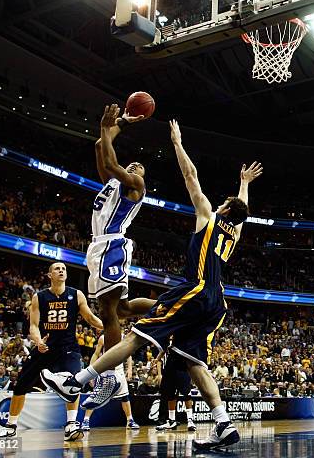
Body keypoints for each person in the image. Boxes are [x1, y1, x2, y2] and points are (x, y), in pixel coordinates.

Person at [42, 120, 263, 450]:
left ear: (226, 209)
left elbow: (192, 178)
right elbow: (241, 210)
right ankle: (223, 423)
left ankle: (77, 381)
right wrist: (244, 183)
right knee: (195, 362)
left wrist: (177, 143)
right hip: (218, 303)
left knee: (137, 334)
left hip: (197, 289)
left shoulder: (209, 216)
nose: (219, 202)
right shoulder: (234, 233)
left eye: (226, 202)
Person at [84, 104, 155, 404]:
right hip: (98, 246)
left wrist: (106, 126)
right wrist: (121, 121)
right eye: (133, 164)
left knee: (108, 312)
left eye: (140, 166)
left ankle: (111, 377)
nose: (135, 166)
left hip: (112, 244)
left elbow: (112, 162)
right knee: (123, 310)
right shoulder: (112, 184)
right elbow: (102, 146)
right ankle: (173, 306)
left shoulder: (134, 186)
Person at [0, 262, 103, 442]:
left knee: (73, 382)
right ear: (49, 275)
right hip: (45, 347)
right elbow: (34, 326)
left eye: (64, 269)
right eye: (57, 269)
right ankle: (10, 426)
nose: (61, 271)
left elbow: (90, 318)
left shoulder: (76, 295)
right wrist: (37, 341)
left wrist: (109, 326)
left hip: (68, 347)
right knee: (21, 385)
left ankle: (71, 425)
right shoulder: (40, 297)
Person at [81, 334, 139, 431]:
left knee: (125, 397)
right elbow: (96, 354)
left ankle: (130, 420)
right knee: (96, 397)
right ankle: (85, 421)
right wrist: (90, 372)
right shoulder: (103, 338)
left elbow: (128, 354)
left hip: (119, 369)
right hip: (105, 368)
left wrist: (129, 369)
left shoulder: (123, 336)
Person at [156, 350, 197, 432]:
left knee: (186, 394)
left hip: (182, 369)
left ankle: (190, 420)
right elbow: (160, 355)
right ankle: (172, 421)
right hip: (169, 370)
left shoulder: (182, 342)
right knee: (171, 396)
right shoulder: (167, 342)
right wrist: (159, 373)